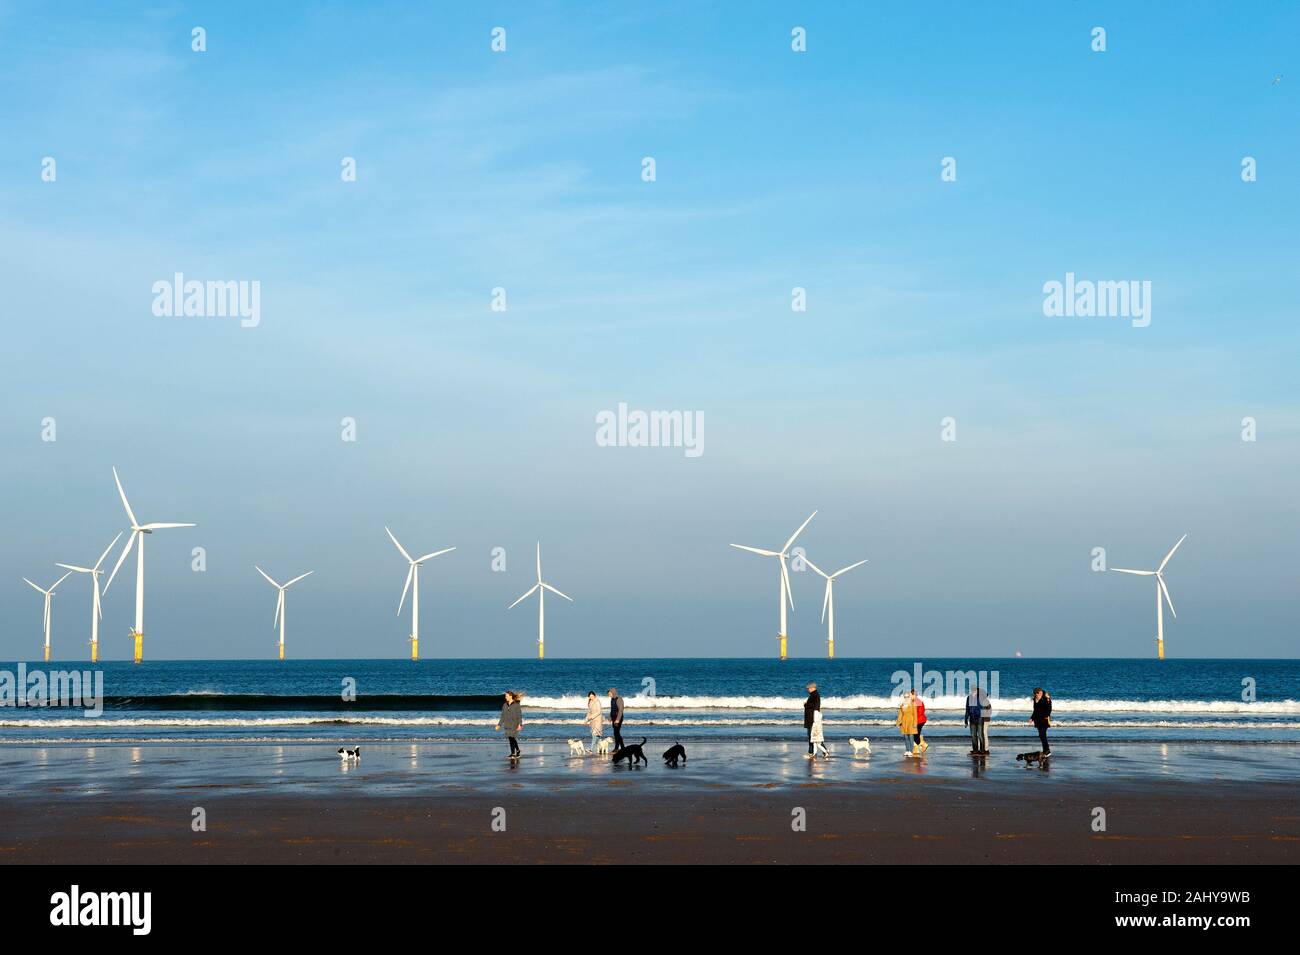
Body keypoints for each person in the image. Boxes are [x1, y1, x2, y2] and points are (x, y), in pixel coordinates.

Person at [496, 691, 523, 759]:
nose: (505, 697)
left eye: (506, 696)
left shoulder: (516, 704)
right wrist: (499, 724)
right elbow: (502, 716)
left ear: (510, 696)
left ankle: (513, 753)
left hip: (514, 724)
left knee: (512, 737)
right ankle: (517, 751)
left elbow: (519, 715)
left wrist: (520, 724)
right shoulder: (504, 705)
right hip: (507, 724)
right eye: (505, 696)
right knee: (510, 738)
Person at [965, 684, 991, 754]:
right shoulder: (968, 698)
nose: (973, 691)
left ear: (977, 690)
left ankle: (983, 750)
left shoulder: (981, 697)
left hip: (980, 718)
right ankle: (975, 750)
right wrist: (966, 720)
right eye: (972, 690)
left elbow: (986, 696)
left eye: (975, 690)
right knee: (973, 736)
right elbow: (967, 709)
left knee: (980, 735)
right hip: (972, 719)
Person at [1030, 687, 1052, 756]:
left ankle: (1047, 751)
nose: (1036, 694)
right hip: (1037, 720)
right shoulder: (1035, 699)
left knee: (1043, 735)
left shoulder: (1046, 699)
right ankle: (1045, 750)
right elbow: (1035, 710)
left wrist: (1047, 715)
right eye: (1035, 693)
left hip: (1044, 720)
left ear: (1040, 692)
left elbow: (1049, 708)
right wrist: (1032, 718)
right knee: (1041, 735)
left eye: (1037, 693)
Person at [802, 682, 821, 758]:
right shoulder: (814, 695)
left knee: (812, 736)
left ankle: (811, 752)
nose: (807, 690)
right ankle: (813, 752)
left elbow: (814, 706)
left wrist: (806, 704)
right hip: (811, 718)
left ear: (812, 688)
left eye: (808, 688)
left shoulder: (815, 695)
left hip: (812, 718)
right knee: (813, 736)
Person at [911, 689, 929, 755]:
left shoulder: (918, 701)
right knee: (915, 735)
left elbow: (921, 712)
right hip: (918, 720)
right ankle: (916, 749)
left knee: (915, 735)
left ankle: (923, 745)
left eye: (911, 695)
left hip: (920, 721)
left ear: (913, 695)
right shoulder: (913, 701)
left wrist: (914, 719)